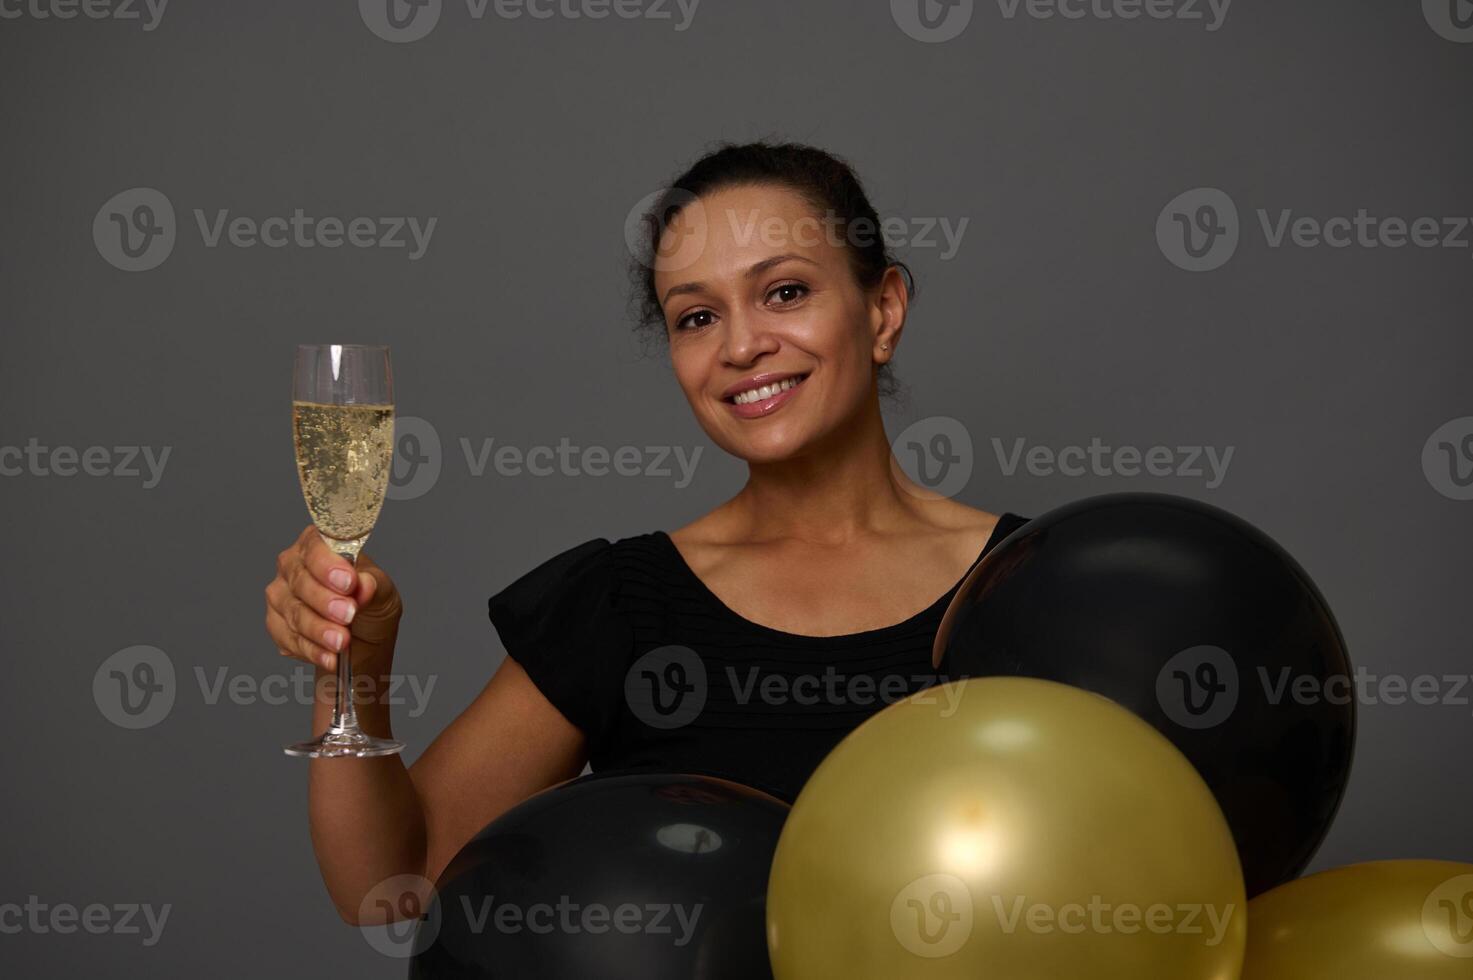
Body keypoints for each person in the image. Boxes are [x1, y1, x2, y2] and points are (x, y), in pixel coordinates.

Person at [262, 141, 1028, 924]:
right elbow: (392, 883)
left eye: (785, 292)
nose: (739, 347)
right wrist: (352, 664)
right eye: (697, 317)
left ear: (882, 310)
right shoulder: (622, 604)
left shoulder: (1035, 584)